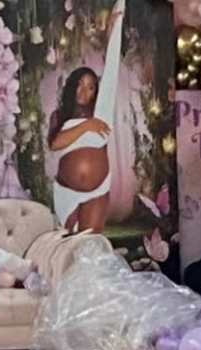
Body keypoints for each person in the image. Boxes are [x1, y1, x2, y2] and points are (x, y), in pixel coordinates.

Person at [46, 66, 115, 231]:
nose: (84, 91)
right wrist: (86, 126)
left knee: (90, 241)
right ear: (72, 86)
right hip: (66, 190)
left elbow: (112, 73)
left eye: (90, 88)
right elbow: (55, 144)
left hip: (97, 191)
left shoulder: (101, 115)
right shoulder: (60, 115)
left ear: (95, 93)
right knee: (70, 241)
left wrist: (92, 122)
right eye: (80, 85)